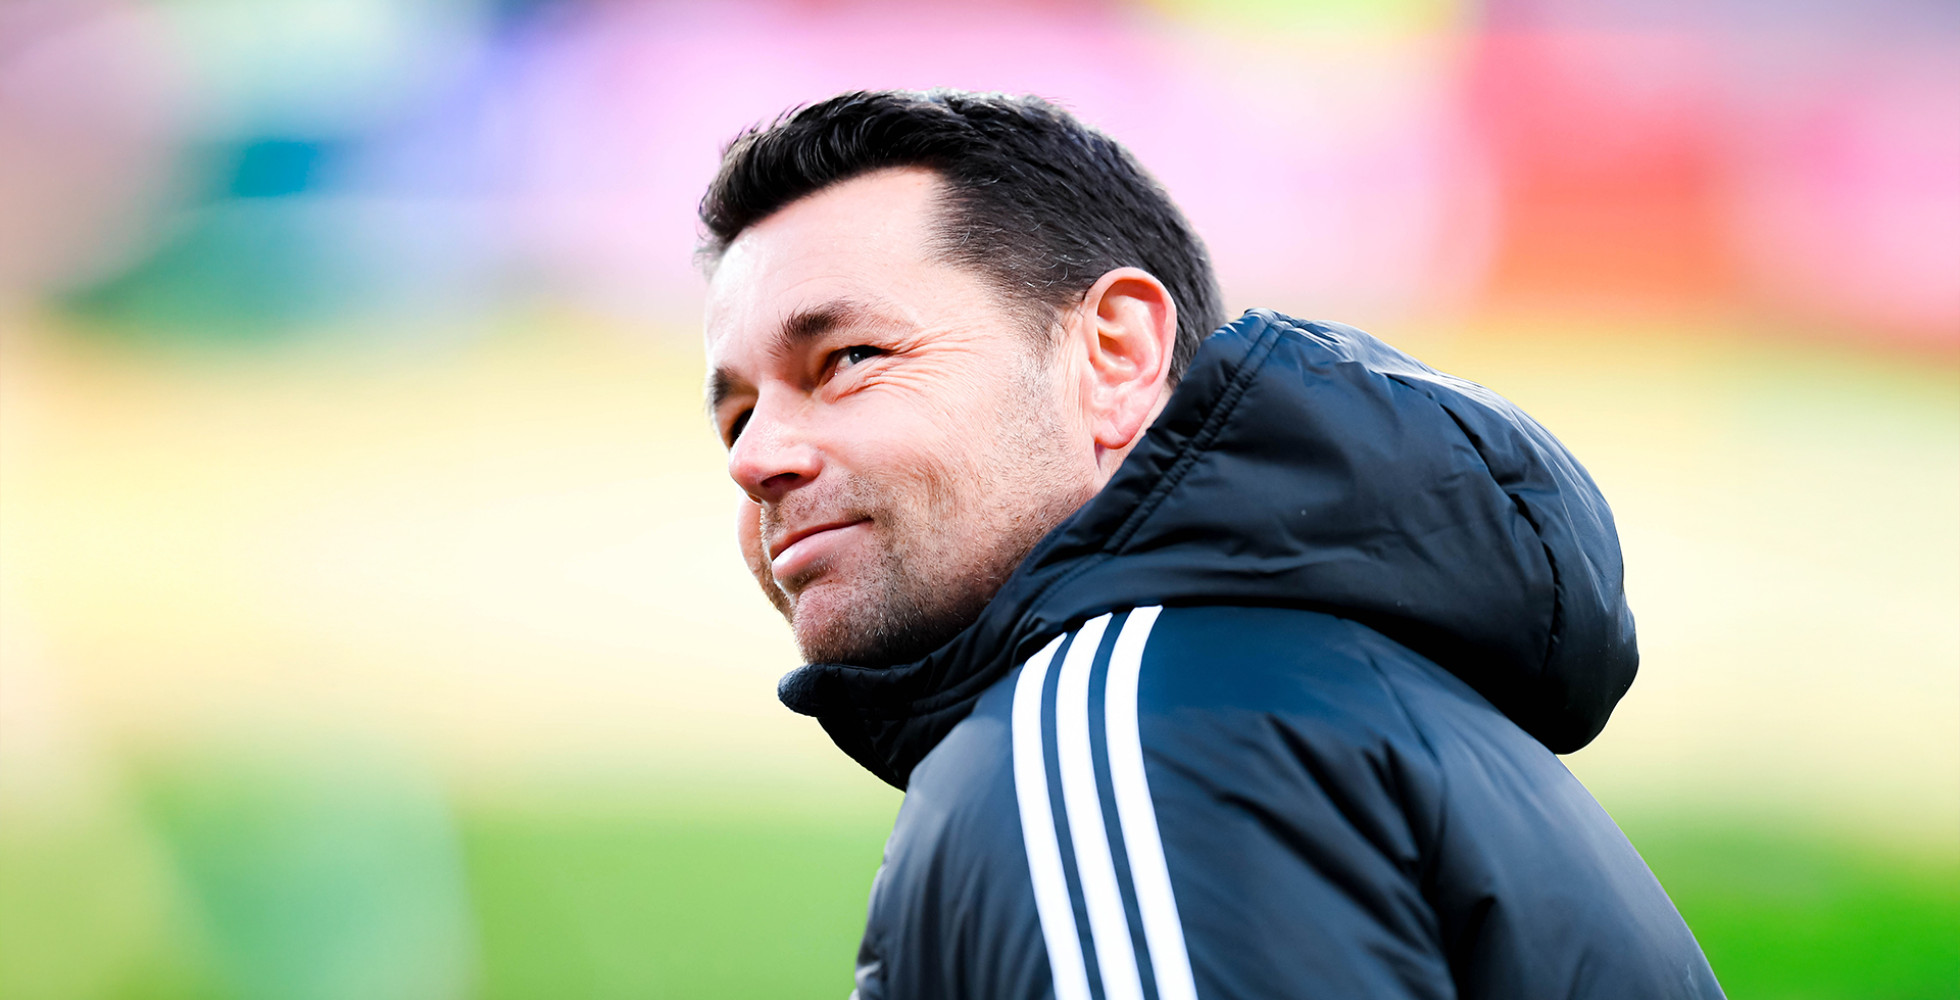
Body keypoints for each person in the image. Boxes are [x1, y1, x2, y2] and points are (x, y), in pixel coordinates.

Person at [697, 90, 1723, 1000]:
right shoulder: (1292, 687)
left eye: (848, 358)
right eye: (737, 416)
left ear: (1114, 355)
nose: (756, 459)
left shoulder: (1133, 740)